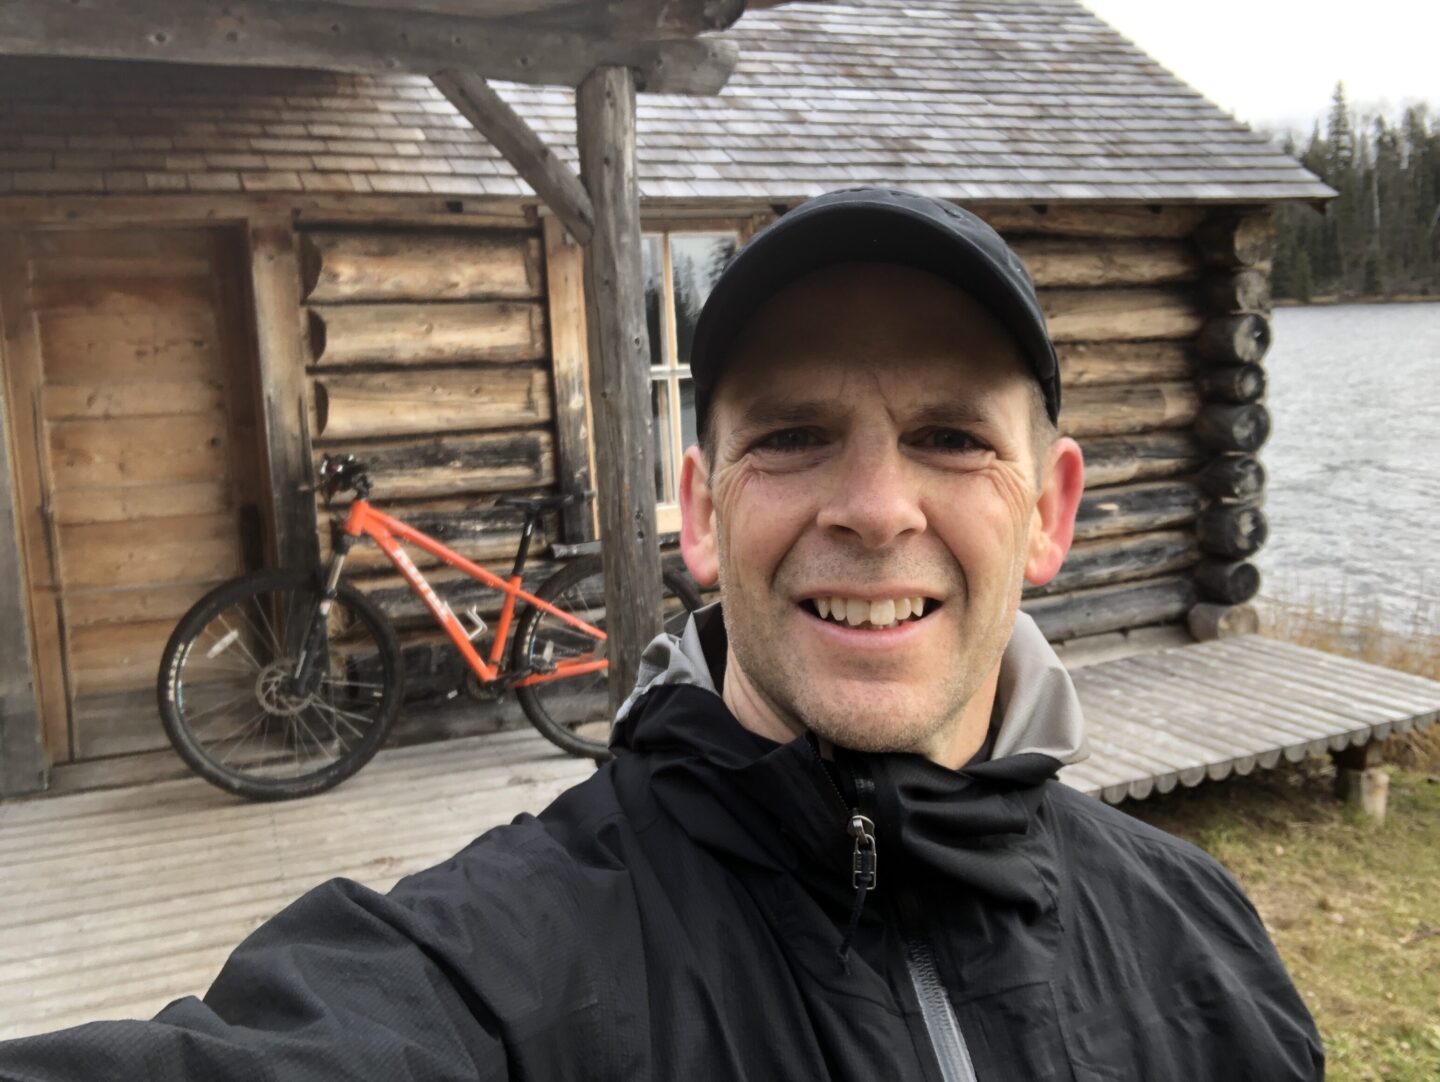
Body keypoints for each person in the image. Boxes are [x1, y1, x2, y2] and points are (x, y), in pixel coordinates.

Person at [0, 188, 1323, 1080]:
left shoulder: (1204, 939)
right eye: (795, 435)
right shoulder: (491, 971)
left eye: (949, 437)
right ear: (698, 510)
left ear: (1050, 512)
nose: (872, 507)